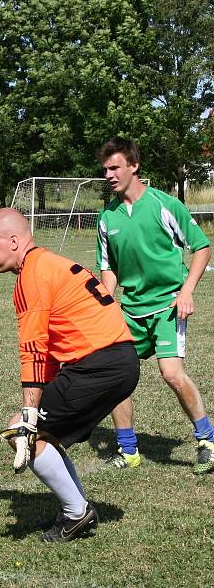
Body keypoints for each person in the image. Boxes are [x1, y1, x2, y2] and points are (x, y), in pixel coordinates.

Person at [0, 208, 139, 542]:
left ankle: (77, 514)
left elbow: (34, 349)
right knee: (41, 432)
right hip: (117, 360)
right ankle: (76, 509)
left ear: (13, 241)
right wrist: (37, 405)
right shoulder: (47, 264)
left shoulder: (32, 276)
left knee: (21, 431)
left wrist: (28, 414)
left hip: (101, 364)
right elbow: (51, 348)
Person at [96, 137, 214, 473]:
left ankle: (207, 439)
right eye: (105, 169)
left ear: (134, 166)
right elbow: (109, 269)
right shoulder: (107, 217)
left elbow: (202, 248)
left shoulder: (164, 205)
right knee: (118, 376)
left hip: (167, 306)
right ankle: (128, 449)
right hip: (130, 310)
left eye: (115, 167)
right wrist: (106, 305)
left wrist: (187, 291)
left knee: (172, 374)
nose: (109, 174)